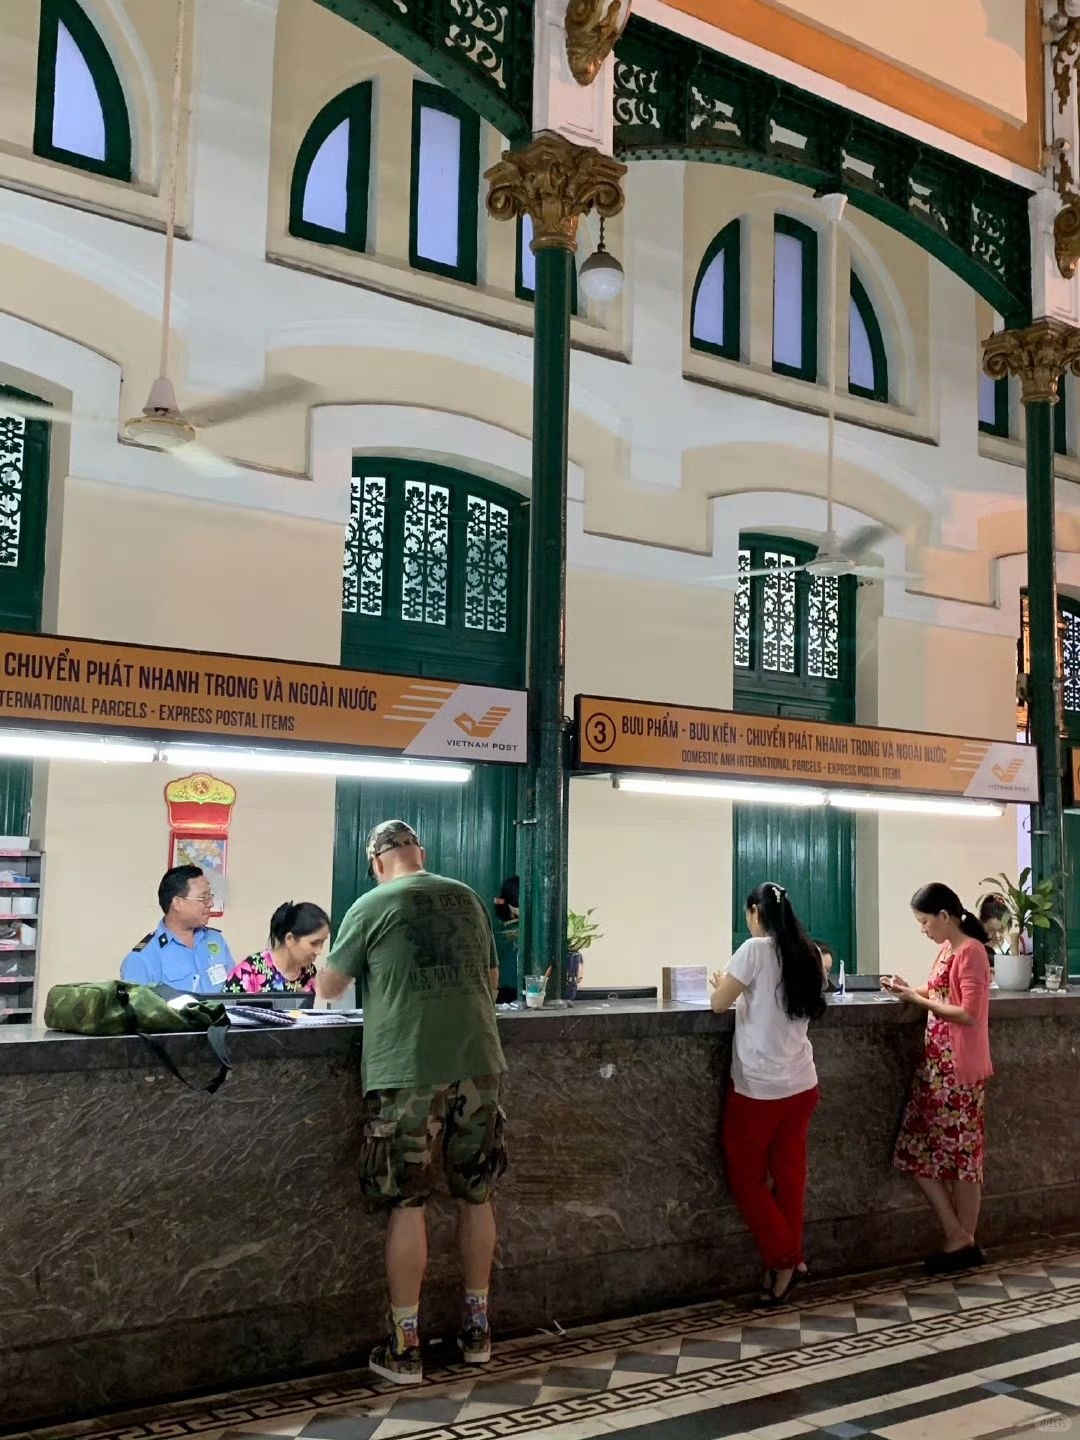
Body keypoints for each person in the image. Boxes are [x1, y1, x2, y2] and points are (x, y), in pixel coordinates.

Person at [316, 820, 507, 1386]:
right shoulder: (469, 899)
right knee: (477, 1194)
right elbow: (492, 981)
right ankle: (477, 1331)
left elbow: (328, 988)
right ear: (420, 853)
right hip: (479, 1062)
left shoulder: (372, 905)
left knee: (408, 1204)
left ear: (378, 863)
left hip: (407, 1069)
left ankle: (405, 1347)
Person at [710, 882, 826, 1305]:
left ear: (756, 911)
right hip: (802, 1084)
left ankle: (785, 1257)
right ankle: (788, 1266)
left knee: (746, 1178)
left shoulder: (754, 950)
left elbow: (719, 1004)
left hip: (760, 1089)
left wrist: (719, 984)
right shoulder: (809, 953)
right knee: (790, 1177)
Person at [883, 883, 993, 1275]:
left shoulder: (972, 953)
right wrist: (906, 990)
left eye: (925, 921)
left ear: (945, 917)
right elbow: (937, 989)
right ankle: (960, 1237)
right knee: (921, 1153)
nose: (923, 930)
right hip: (937, 1068)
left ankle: (961, 1238)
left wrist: (917, 1001)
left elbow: (967, 1012)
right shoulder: (948, 950)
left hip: (958, 1071)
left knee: (961, 1158)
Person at [120, 865, 235, 992]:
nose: (211, 903)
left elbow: (234, 990)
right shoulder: (142, 958)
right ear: (177, 903)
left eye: (210, 896)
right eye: (203, 897)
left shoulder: (215, 939)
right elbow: (137, 1009)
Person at [223, 901, 330, 995]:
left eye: (322, 942)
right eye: (314, 943)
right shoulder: (250, 971)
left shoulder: (308, 972)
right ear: (290, 939)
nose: (319, 951)